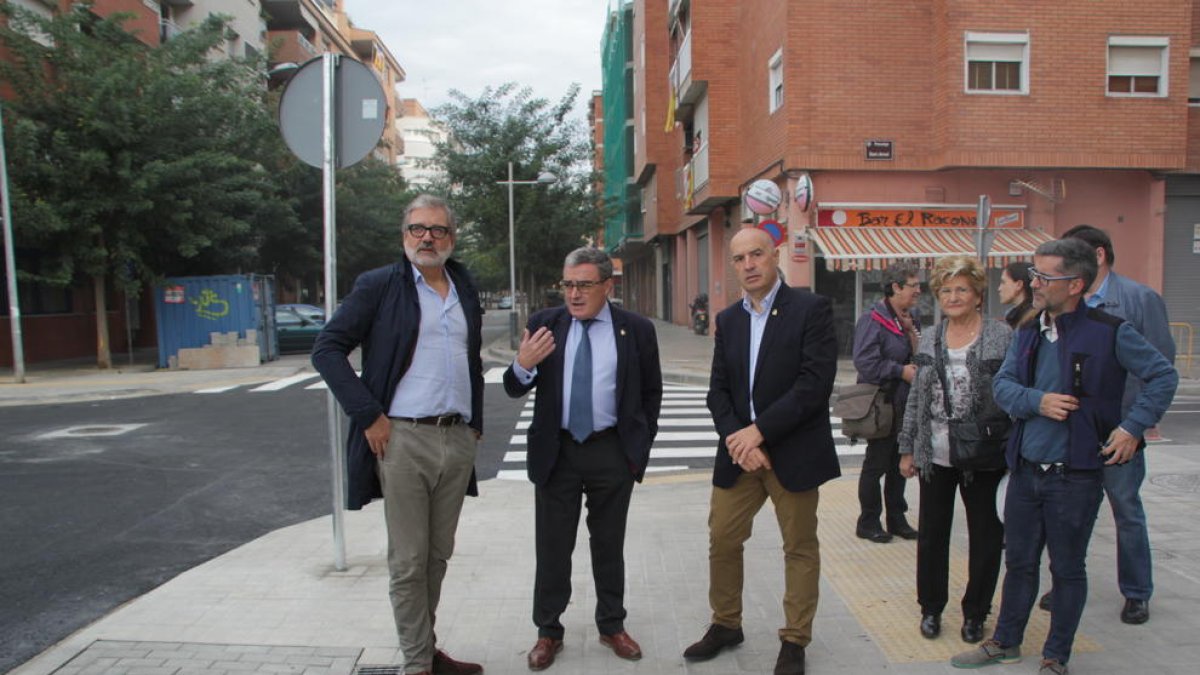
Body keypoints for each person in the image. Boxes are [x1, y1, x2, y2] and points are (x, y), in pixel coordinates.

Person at [951, 238, 1177, 675]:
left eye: (1044, 276)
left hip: (1076, 473)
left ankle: (1056, 656)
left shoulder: (1111, 331)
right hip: (1026, 468)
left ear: (1074, 284)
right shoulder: (1029, 331)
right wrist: (1038, 401)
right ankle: (1005, 641)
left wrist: (1133, 428)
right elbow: (1004, 386)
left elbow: (1162, 375)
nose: (1033, 283)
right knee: (1018, 561)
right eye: (1034, 274)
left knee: (1068, 568)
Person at [311, 194, 484, 675]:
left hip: (456, 439)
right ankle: (416, 665)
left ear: (452, 237)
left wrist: (476, 426)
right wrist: (369, 414)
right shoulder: (380, 286)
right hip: (402, 439)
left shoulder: (463, 286)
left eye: (438, 230)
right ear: (403, 234)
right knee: (408, 562)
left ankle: (425, 649)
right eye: (417, 229)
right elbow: (327, 349)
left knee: (437, 557)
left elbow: (469, 362)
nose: (427, 237)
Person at [683, 228, 839, 675]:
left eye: (756, 254)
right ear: (732, 267)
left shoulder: (811, 309)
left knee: (800, 547)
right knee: (723, 539)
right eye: (739, 258)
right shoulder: (729, 319)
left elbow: (814, 385)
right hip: (740, 455)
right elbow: (717, 391)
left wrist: (759, 432)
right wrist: (739, 438)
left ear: (774, 257)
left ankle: (794, 640)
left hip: (793, 451)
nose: (748, 264)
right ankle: (726, 624)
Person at [503, 247, 662, 671]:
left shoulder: (637, 330)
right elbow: (513, 388)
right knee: (553, 547)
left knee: (609, 545)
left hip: (611, 451)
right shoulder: (545, 325)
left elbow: (651, 394)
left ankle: (612, 624)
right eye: (568, 285)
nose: (573, 294)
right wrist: (523, 364)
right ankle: (548, 631)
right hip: (558, 452)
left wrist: (638, 447)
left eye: (584, 285)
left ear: (608, 286)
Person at [1034, 225, 1176, 625]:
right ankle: (1063, 582)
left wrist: (1136, 426)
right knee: (1069, 513)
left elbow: (1160, 370)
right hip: (1068, 434)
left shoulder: (1138, 299)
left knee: (1126, 511)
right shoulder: (1056, 306)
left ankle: (1136, 592)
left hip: (1119, 435)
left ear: (1096, 256)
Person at [898, 256, 1011, 644]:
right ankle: (931, 608)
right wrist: (908, 448)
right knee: (932, 534)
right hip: (937, 453)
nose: (953, 296)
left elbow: (1011, 392)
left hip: (984, 453)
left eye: (961, 288)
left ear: (978, 294)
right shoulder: (929, 336)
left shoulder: (1000, 335)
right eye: (945, 290)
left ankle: (976, 612)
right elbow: (916, 396)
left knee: (985, 535)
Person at [852, 261, 921, 543]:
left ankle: (897, 518)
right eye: (914, 285)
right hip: (882, 405)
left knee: (898, 463)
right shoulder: (873, 319)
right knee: (876, 464)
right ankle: (868, 521)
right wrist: (899, 371)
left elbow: (918, 354)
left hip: (905, 404)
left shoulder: (908, 317)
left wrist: (910, 334)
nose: (918, 291)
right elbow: (865, 362)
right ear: (896, 287)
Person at [999, 261, 1036, 329]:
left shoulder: (1030, 321)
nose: (999, 289)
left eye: (1003, 282)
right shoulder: (1015, 316)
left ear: (1019, 285)